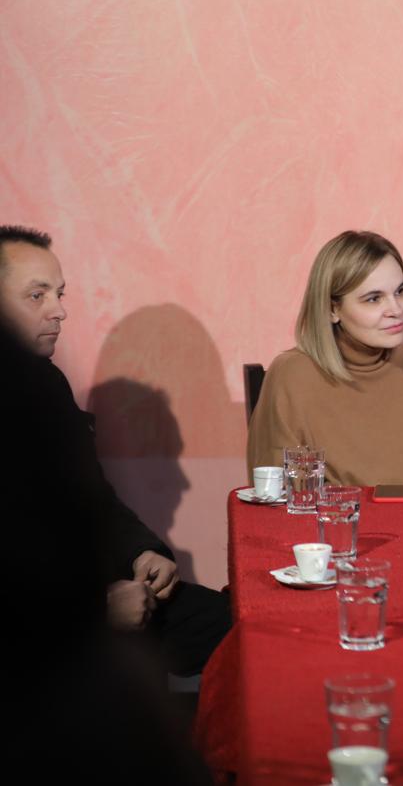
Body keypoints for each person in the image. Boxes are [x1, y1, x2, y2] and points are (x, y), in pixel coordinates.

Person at [0, 225, 230, 679]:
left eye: (60, 294)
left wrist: (142, 552)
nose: (59, 311)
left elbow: (93, 499)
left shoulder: (46, 383)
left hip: (104, 593)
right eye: (37, 296)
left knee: (246, 626)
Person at [248, 230, 403, 487]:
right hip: (336, 515)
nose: (397, 309)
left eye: (400, 291)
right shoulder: (293, 375)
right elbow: (278, 489)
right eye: (373, 299)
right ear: (332, 309)